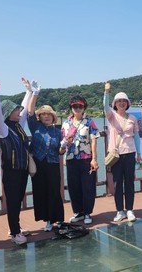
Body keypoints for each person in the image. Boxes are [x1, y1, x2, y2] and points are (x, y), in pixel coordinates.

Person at [0, 78, 33, 245]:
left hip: (22, 169)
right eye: (15, 110)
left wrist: (29, 91)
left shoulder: (18, 125)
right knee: (13, 201)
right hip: (11, 171)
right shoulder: (3, 129)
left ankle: (15, 228)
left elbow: (24, 109)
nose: (19, 112)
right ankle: (15, 233)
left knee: (19, 198)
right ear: (8, 112)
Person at [25, 79, 65, 232]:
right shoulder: (35, 126)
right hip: (38, 164)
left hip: (53, 164)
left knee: (55, 191)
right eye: (43, 114)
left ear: (53, 117)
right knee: (41, 191)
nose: (46, 116)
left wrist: (62, 148)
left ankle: (59, 219)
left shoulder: (57, 131)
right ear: (39, 117)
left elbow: (61, 151)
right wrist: (35, 93)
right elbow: (29, 111)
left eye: (49, 114)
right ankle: (47, 220)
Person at [103, 81, 142, 222]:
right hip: (116, 154)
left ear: (127, 103)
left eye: (124, 101)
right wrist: (106, 92)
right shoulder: (111, 116)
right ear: (114, 103)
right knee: (117, 183)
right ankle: (120, 210)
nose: (121, 103)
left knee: (130, 182)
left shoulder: (132, 118)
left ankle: (130, 210)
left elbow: (136, 137)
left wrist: (139, 154)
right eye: (118, 101)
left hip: (130, 153)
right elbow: (104, 106)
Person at [61, 95, 100, 225]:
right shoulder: (66, 124)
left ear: (84, 107)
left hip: (86, 159)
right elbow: (62, 142)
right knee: (73, 187)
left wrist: (94, 159)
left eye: (80, 106)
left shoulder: (89, 122)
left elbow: (93, 141)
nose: (77, 108)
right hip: (71, 159)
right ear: (71, 108)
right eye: (75, 106)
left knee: (88, 187)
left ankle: (87, 212)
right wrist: (65, 143)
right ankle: (78, 212)